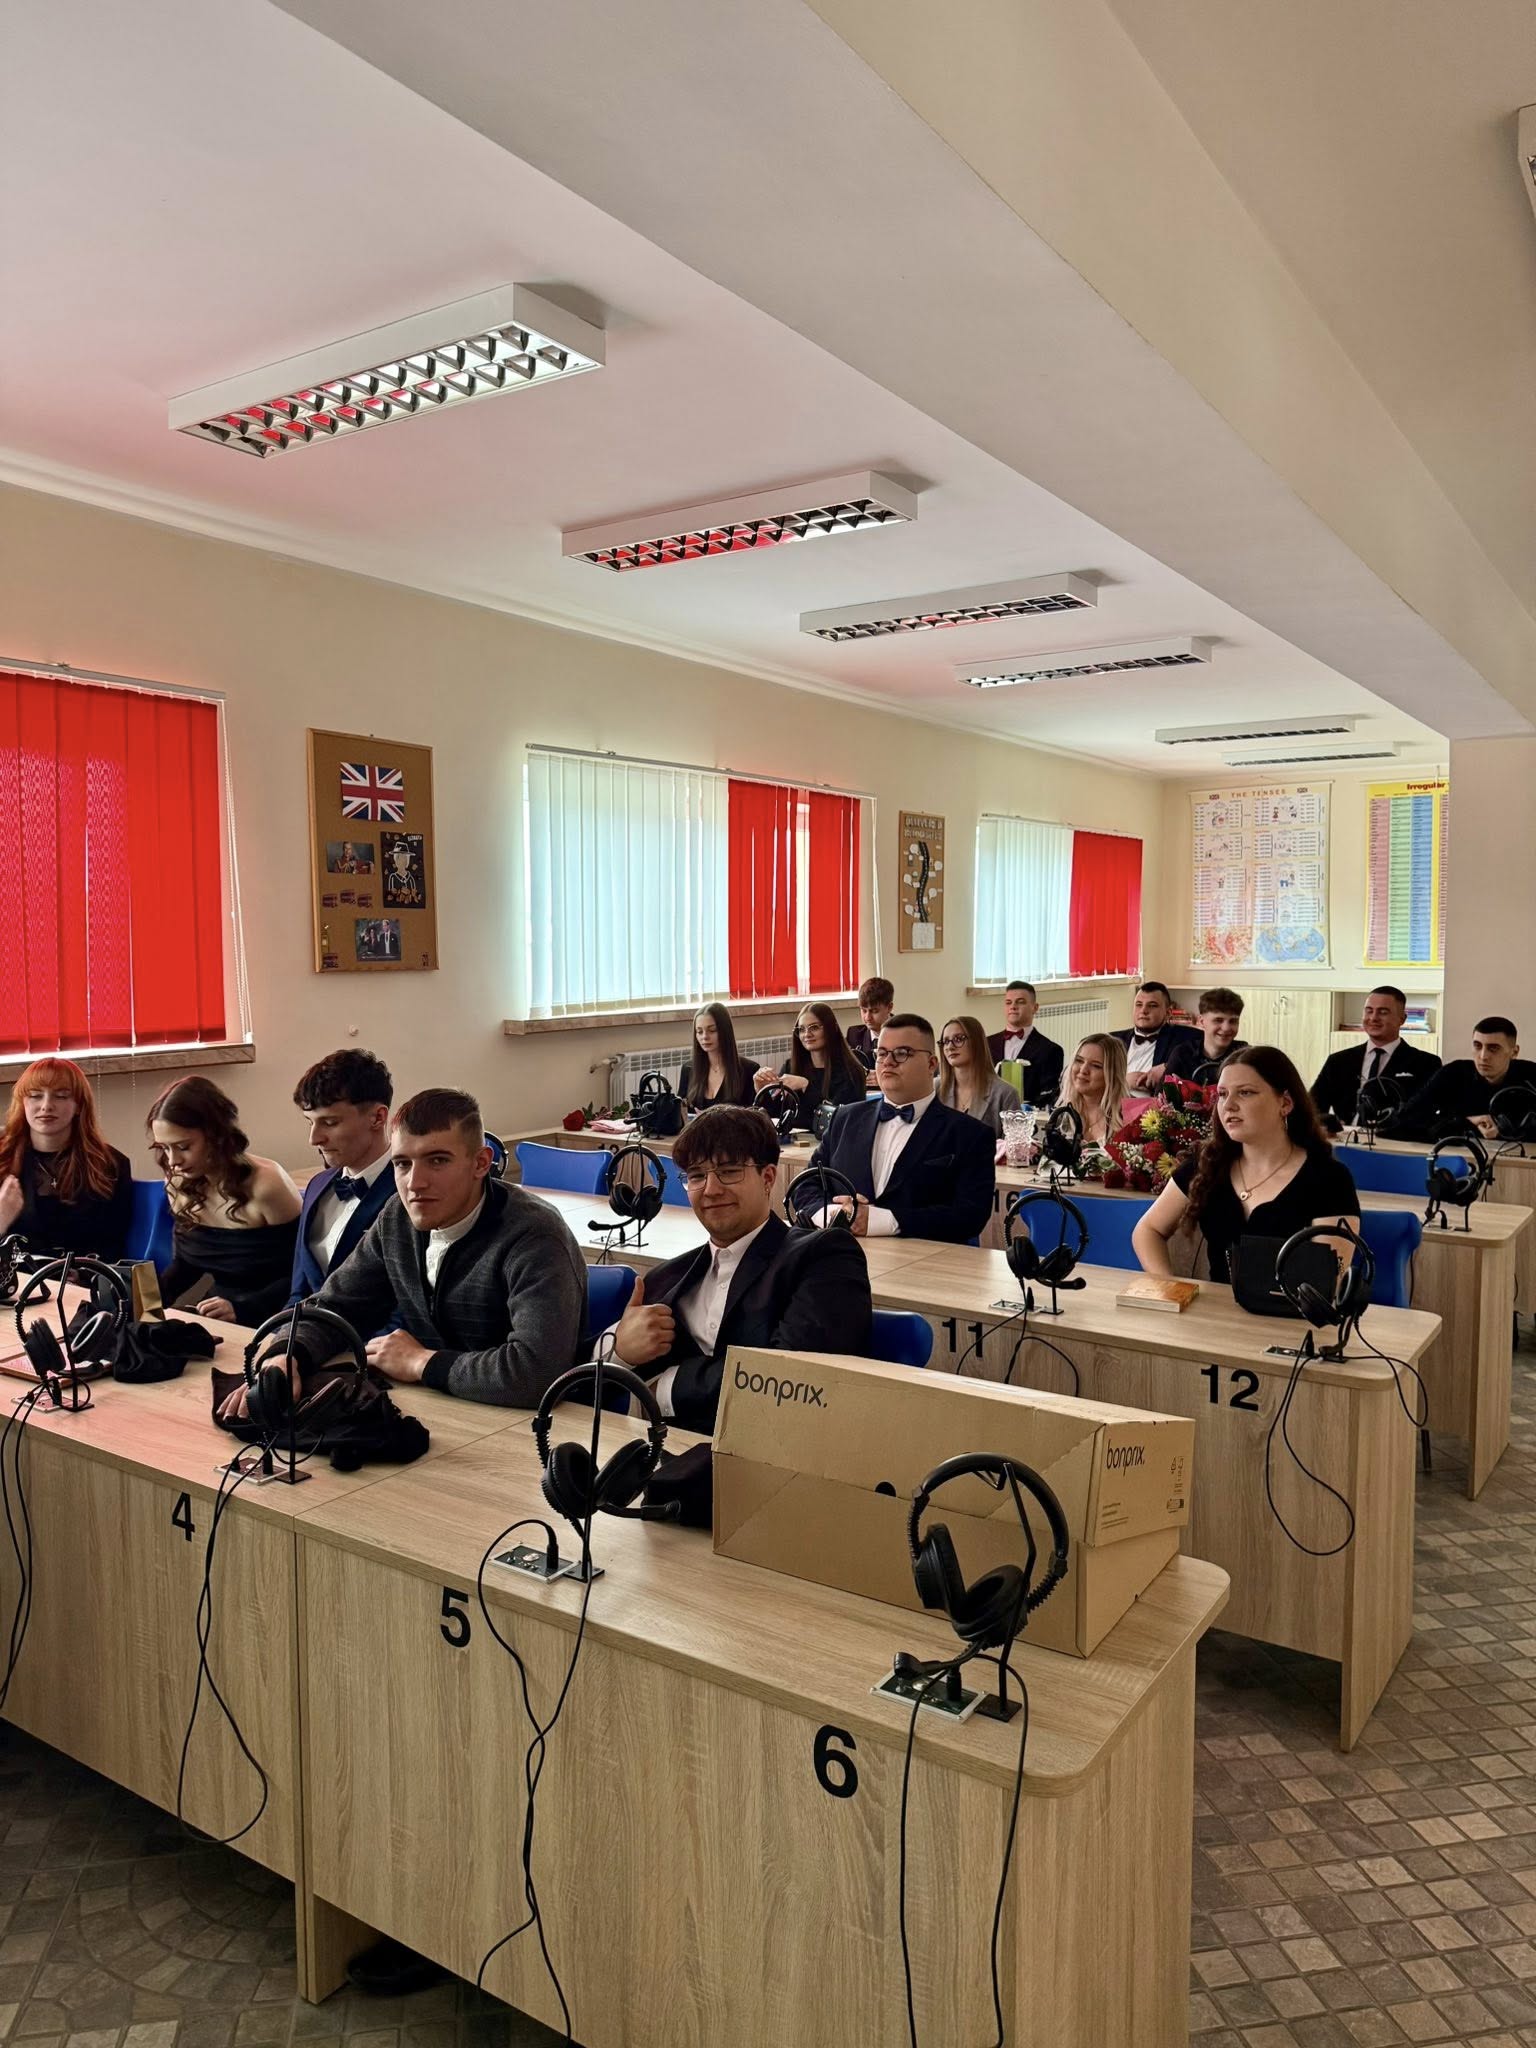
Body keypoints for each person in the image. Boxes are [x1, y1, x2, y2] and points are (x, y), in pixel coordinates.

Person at [228, 1087, 586, 1410]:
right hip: (437, 1407)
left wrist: (421, 1362)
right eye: (402, 1164)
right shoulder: (397, 1217)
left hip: (521, 1426)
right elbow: (338, 1305)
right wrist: (287, 1355)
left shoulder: (535, 1235)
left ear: (480, 1163)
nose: (415, 1183)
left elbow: (537, 1373)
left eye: (438, 1160)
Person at [603, 1106, 871, 1432]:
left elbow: (789, 1380)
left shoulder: (823, 1255)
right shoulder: (666, 1277)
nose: (711, 1189)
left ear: (768, 1177)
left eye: (729, 1171)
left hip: (772, 1451)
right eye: (697, 1176)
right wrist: (620, 1353)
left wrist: (666, 1387)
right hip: (668, 1451)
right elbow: (579, 1380)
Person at [1132, 1046, 1359, 1283]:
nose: (1228, 1105)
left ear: (1285, 1103)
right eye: (1222, 1094)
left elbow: (1327, 1282)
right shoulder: (1208, 1163)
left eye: (1245, 1093)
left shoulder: (1330, 1179)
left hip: (1291, 1307)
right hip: (1214, 1305)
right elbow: (1148, 1230)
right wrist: (1169, 1287)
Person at [811, 1013, 994, 1242]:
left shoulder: (970, 1135)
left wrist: (884, 1220)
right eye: (881, 1053)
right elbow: (807, 1184)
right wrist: (832, 1214)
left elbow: (970, 1215)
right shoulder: (845, 1118)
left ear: (931, 1064)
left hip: (924, 1259)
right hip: (842, 1252)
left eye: (901, 1053)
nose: (888, 1062)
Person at [149, 1077, 302, 1323]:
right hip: (218, 1312)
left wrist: (243, 1309)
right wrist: (141, 1301)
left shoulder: (267, 1184)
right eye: (164, 1148)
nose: (173, 1161)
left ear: (216, 1135)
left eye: (183, 1147)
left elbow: (304, 1273)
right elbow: (187, 1264)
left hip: (278, 1315)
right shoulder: (178, 1183)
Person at [288, 1049, 399, 1305]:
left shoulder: (409, 1191)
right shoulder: (317, 1186)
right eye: (310, 1122)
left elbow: (407, 1304)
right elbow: (298, 1291)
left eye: (330, 1123)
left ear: (378, 1117)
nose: (314, 1139)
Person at [0, 1058, 133, 1259]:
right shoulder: (4, 1159)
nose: (46, 1106)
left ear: (78, 1105)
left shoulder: (111, 1165)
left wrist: (82, 1271)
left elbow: (114, 1245)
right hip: (16, 1276)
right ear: (23, 1103)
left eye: (61, 1096)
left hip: (87, 1276)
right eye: (35, 1096)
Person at [1384, 1017, 1536, 1142]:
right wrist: (1468, 1122)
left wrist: (1506, 1130)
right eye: (1477, 1046)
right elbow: (1405, 1118)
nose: (1483, 1056)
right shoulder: (1454, 1073)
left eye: (1493, 1048)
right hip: (1457, 1159)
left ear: (1514, 1052)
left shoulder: (1532, 1077)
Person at [1311, 986, 1442, 1127]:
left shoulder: (1426, 1063)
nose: (1373, 1018)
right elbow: (1311, 1109)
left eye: (1383, 1012)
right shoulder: (1338, 1061)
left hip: (1396, 1138)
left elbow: (1427, 1116)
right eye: (1369, 1011)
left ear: (1402, 1019)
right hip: (1346, 1137)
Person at [754, 1003, 868, 1132]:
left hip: (830, 1141)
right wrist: (762, 1091)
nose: (807, 1034)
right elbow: (775, 1115)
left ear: (831, 1028)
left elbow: (838, 1120)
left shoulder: (852, 1072)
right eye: (802, 1029)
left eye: (814, 1028)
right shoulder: (790, 1066)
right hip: (794, 1142)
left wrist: (806, 1086)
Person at [937, 1017, 1022, 1137]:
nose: (950, 1047)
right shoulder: (934, 1089)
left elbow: (1015, 1146)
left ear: (977, 1042)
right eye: (945, 1041)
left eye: (958, 1039)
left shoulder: (1005, 1094)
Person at [985, 981, 1065, 1105]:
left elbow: (1048, 1096)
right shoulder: (986, 1043)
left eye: (1020, 1002)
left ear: (1035, 1008)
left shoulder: (1050, 1050)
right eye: (1008, 1002)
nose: (1013, 1006)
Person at [1112, 982, 1201, 1089]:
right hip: (1117, 1097)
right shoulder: (1113, 1040)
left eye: (1152, 1005)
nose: (1143, 1011)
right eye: (1139, 1005)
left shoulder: (1187, 1037)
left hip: (1155, 1099)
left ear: (1168, 1013)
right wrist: (1122, 1082)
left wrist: (1168, 1067)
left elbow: (1206, 1062)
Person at [1052, 1033, 1132, 1149]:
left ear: (1112, 1074)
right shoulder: (1061, 1114)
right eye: (1079, 1061)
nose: (1083, 1070)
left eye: (1096, 1066)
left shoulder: (1130, 1116)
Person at [678, 1003, 758, 1112]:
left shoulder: (749, 1069)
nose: (705, 1037)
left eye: (712, 1030)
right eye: (699, 1032)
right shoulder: (688, 1069)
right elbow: (681, 1111)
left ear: (725, 1031)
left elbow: (758, 1116)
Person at [1164, 988, 1249, 1084]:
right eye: (1218, 1020)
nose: (1226, 1028)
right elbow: (1162, 1092)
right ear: (1201, 1021)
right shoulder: (1182, 1053)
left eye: (1233, 1021)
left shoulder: (1246, 1056)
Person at [846, 977, 894, 1071]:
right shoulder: (854, 1035)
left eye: (874, 1011)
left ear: (889, 1007)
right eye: (864, 1010)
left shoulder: (906, 1034)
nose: (867, 1017)